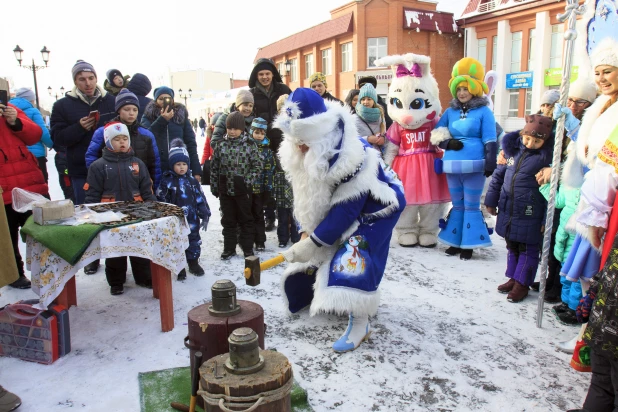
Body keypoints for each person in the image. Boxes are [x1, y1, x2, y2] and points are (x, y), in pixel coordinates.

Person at [276, 88, 405, 352]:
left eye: (304, 141)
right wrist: (306, 231)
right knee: (322, 242)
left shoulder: (351, 158)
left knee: (355, 252)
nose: (299, 147)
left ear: (319, 133)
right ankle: (315, 293)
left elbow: (345, 211)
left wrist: (313, 242)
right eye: (295, 140)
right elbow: (308, 197)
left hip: (378, 205)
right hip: (348, 205)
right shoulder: (303, 148)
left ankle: (360, 320)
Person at [377, 53, 450, 248]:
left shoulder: (434, 122)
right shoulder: (398, 126)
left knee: (432, 203)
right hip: (405, 170)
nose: (408, 116)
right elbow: (391, 150)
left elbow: (442, 141)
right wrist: (386, 169)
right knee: (407, 201)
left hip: (430, 168)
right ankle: (406, 230)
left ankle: (428, 230)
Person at [430, 57, 497, 260]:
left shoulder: (484, 112)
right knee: (457, 204)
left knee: (471, 204)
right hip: (452, 165)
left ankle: (469, 243)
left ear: (474, 89)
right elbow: (437, 132)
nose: (462, 93)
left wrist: (490, 160)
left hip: (474, 165)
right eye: (459, 89)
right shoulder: (450, 111)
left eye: (465, 89)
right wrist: (447, 143)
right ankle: (453, 240)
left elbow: (490, 137)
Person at [485, 114, 554, 302]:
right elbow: (499, 176)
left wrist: (544, 220)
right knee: (512, 245)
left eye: (536, 141)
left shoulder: (546, 159)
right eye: (527, 138)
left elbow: (550, 192)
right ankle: (514, 277)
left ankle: (523, 283)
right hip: (509, 207)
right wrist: (491, 200)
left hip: (531, 211)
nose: (530, 143)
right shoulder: (511, 151)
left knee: (528, 248)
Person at [85, 122, 156, 295]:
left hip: (137, 213)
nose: (122, 142)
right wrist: (92, 214)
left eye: (125, 138)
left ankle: (144, 277)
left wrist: (153, 208)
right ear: (108, 142)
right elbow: (92, 194)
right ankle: (116, 282)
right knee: (114, 250)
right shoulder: (98, 166)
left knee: (139, 248)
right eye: (117, 139)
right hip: (110, 216)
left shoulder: (138, 164)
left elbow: (147, 189)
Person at [50, 59, 116, 207]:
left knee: (114, 213)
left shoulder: (111, 101)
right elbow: (57, 139)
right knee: (86, 213)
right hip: (81, 171)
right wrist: (78, 128)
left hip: (111, 167)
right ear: (75, 81)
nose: (88, 83)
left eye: (91, 78)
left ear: (96, 78)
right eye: (82, 79)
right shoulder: (62, 106)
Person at [0, 94, 47, 289]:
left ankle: (47, 269)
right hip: (4, 188)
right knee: (7, 236)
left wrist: (15, 121)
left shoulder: (10, 108)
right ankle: (15, 274)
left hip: (29, 182)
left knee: (42, 231)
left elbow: (35, 135)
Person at [85, 88, 162, 190]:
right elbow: (91, 157)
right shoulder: (103, 131)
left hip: (139, 188)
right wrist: (99, 181)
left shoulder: (146, 134)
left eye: (135, 110)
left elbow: (155, 164)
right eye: (127, 109)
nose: (131, 113)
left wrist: (153, 187)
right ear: (119, 110)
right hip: (110, 188)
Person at [210, 112, 261, 259]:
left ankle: (247, 248)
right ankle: (229, 248)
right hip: (225, 190)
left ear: (242, 129)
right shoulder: (220, 145)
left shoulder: (250, 145)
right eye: (229, 128)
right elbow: (214, 167)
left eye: (235, 128)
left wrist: (246, 181)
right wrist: (215, 186)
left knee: (246, 220)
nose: (232, 131)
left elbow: (257, 166)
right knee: (228, 220)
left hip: (243, 191)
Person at [157, 139, 210, 279]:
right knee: (176, 243)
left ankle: (193, 262)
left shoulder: (192, 181)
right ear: (171, 165)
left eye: (184, 164)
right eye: (178, 164)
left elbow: (200, 199)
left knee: (193, 240)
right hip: (175, 221)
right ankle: (179, 266)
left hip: (192, 219)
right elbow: (162, 201)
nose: (182, 167)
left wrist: (205, 215)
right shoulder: (166, 181)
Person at [249, 58, 292, 231]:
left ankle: (287, 216)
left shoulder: (283, 89)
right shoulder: (251, 93)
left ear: (273, 74)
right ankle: (269, 216)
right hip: (263, 145)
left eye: (267, 73)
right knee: (266, 181)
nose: (265, 77)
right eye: (261, 74)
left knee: (284, 180)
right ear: (256, 76)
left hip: (283, 142)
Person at [141, 86, 202, 182]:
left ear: (172, 100)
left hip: (180, 166)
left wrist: (196, 170)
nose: (163, 101)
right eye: (161, 99)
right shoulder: (148, 115)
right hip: (158, 166)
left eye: (167, 99)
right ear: (155, 100)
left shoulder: (181, 116)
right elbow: (146, 137)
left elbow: (190, 143)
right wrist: (162, 119)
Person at [10, 87, 53, 182]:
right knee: (40, 183)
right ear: (31, 100)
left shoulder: (8, 111)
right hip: (36, 155)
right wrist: (51, 143)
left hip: (16, 155)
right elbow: (42, 132)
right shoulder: (33, 111)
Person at [274, 95, 300, 248]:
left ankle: (297, 236)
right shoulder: (276, 125)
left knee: (297, 210)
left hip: (295, 169)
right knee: (283, 213)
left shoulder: (297, 124)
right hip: (280, 171)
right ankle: (283, 237)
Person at [249, 117, 275, 251]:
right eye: (256, 132)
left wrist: (268, 188)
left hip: (259, 189)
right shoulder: (246, 148)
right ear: (251, 132)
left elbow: (269, 171)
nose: (259, 136)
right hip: (247, 189)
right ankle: (247, 239)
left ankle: (260, 241)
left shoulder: (267, 152)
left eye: (262, 133)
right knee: (247, 214)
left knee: (259, 215)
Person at [354, 84, 386, 154]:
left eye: (369, 99)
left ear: (374, 101)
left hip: (378, 156)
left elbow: (385, 134)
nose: (366, 102)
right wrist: (368, 139)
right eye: (363, 99)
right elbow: (350, 140)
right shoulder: (354, 118)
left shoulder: (380, 115)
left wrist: (383, 138)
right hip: (362, 156)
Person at [201, 112, 222, 185]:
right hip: (213, 162)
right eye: (212, 124)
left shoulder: (224, 133)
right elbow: (206, 149)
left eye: (215, 125)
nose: (214, 127)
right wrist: (203, 162)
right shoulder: (210, 133)